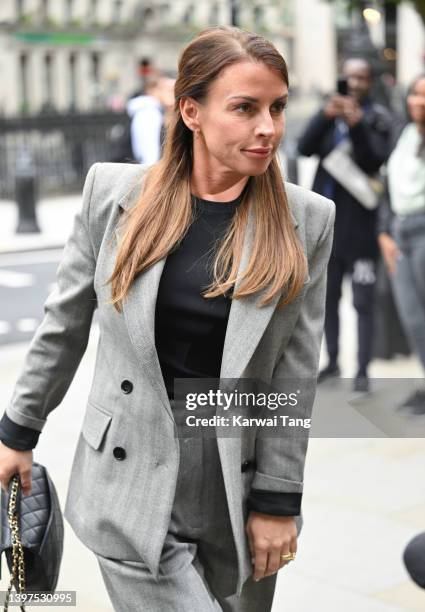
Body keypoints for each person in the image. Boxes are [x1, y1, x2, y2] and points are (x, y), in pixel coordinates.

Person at [0, 26, 335, 611]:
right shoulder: (112, 195)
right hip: (128, 468)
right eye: (245, 108)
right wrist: (17, 432)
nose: (268, 128)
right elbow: (63, 325)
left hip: (235, 469)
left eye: (277, 108)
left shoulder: (308, 220)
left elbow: (293, 375)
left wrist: (278, 501)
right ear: (191, 111)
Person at [298, 58, 392, 392]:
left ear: (370, 81)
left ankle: (363, 369)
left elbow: (374, 160)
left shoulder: (378, 117)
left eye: (361, 77)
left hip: (363, 228)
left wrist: (356, 125)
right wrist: (326, 117)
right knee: (328, 299)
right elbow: (304, 148)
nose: (354, 83)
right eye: (348, 76)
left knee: (363, 302)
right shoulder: (328, 113)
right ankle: (333, 361)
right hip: (328, 227)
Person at [378, 73, 425, 414]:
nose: (418, 102)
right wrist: (383, 232)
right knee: (412, 318)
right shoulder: (402, 134)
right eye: (414, 94)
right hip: (399, 233)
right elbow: (385, 185)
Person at [127, 75, 175, 165]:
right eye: (168, 89)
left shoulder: (161, 113)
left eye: (174, 89)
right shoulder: (149, 113)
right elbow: (149, 156)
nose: (172, 93)